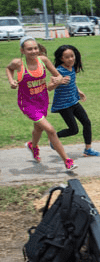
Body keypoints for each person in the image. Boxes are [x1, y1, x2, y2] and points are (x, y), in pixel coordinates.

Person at [5, 36, 78, 171]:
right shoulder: (18, 63)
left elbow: (58, 76)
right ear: (22, 50)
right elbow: (8, 69)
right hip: (27, 103)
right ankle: (67, 161)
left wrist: (56, 81)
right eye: (29, 49)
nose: (33, 51)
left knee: (38, 128)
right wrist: (11, 81)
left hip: (42, 100)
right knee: (50, 129)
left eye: (35, 48)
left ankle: (33, 146)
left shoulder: (43, 60)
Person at [49, 44, 100, 157]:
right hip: (63, 105)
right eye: (67, 57)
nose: (71, 59)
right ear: (61, 58)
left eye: (72, 56)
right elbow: (49, 88)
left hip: (74, 101)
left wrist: (78, 91)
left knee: (87, 122)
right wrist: (58, 82)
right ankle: (54, 137)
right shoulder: (58, 71)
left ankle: (88, 149)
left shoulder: (72, 67)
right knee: (73, 130)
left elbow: (72, 82)